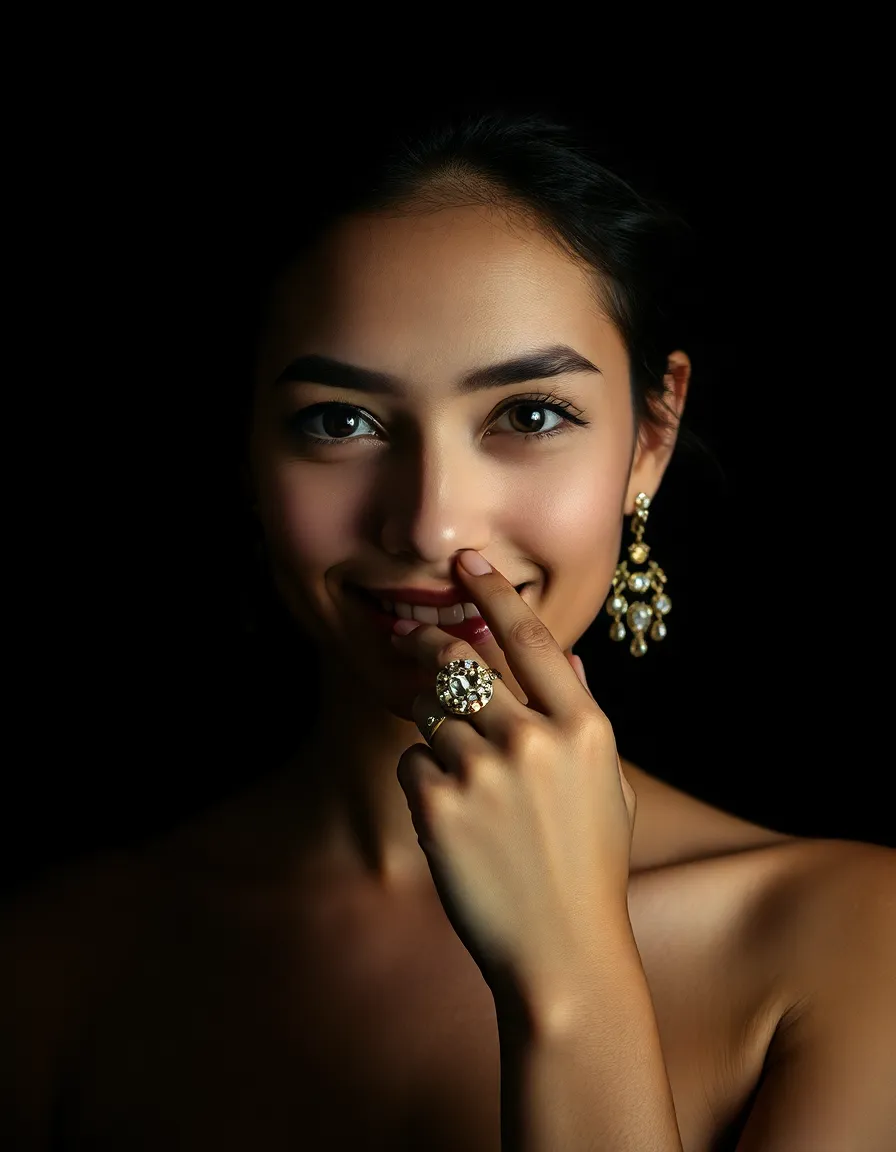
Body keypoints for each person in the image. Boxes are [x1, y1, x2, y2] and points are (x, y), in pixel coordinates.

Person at [4, 106, 895, 1152]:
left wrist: (568, 973)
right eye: (339, 421)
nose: (429, 524)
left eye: (526, 414)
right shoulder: (60, 964)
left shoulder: (855, 944)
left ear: (650, 439)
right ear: (247, 449)